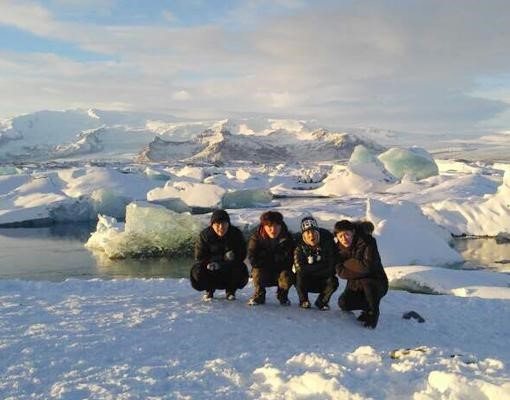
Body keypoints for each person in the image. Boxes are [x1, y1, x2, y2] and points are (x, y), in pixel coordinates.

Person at [334, 219, 388, 329]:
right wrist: (358, 266)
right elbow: (340, 272)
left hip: (377, 284)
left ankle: (373, 312)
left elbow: (368, 267)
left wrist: (346, 263)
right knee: (344, 303)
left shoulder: (368, 242)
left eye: (347, 234)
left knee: (367, 282)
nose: (344, 238)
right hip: (356, 284)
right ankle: (367, 306)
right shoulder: (338, 249)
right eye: (340, 236)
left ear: (353, 232)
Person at [190, 209, 249, 301]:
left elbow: (242, 254)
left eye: (224, 223)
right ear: (212, 225)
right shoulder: (204, 235)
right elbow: (199, 256)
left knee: (241, 268)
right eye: (217, 224)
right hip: (211, 268)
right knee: (197, 270)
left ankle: (231, 291)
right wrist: (210, 263)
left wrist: (231, 258)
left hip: (229, 267)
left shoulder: (236, 234)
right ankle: (209, 290)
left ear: (228, 224)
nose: (221, 227)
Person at [247, 211, 295, 306]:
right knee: (256, 271)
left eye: (276, 226)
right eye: (269, 226)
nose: (273, 229)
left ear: (280, 226)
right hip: (263, 270)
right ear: (264, 226)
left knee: (288, 275)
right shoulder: (256, 238)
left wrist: (267, 257)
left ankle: (282, 295)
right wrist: (273, 259)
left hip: (280, 271)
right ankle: (259, 295)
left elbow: (290, 260)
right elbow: (253, 259)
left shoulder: (287, 238)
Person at [293, 216, 339, 310]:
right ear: (303, 235)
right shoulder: (299, 246)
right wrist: (321, 266)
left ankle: (322, 302)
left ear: (318, 233)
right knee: (298, 276)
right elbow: (300, 268)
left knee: (333, 281)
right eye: (308, 232)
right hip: (306, 280)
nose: (311, 235)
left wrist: (311, 268)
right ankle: (304, 300)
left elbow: (332, 267)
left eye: (314, 232)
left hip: (323, 279)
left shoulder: (328, 243)